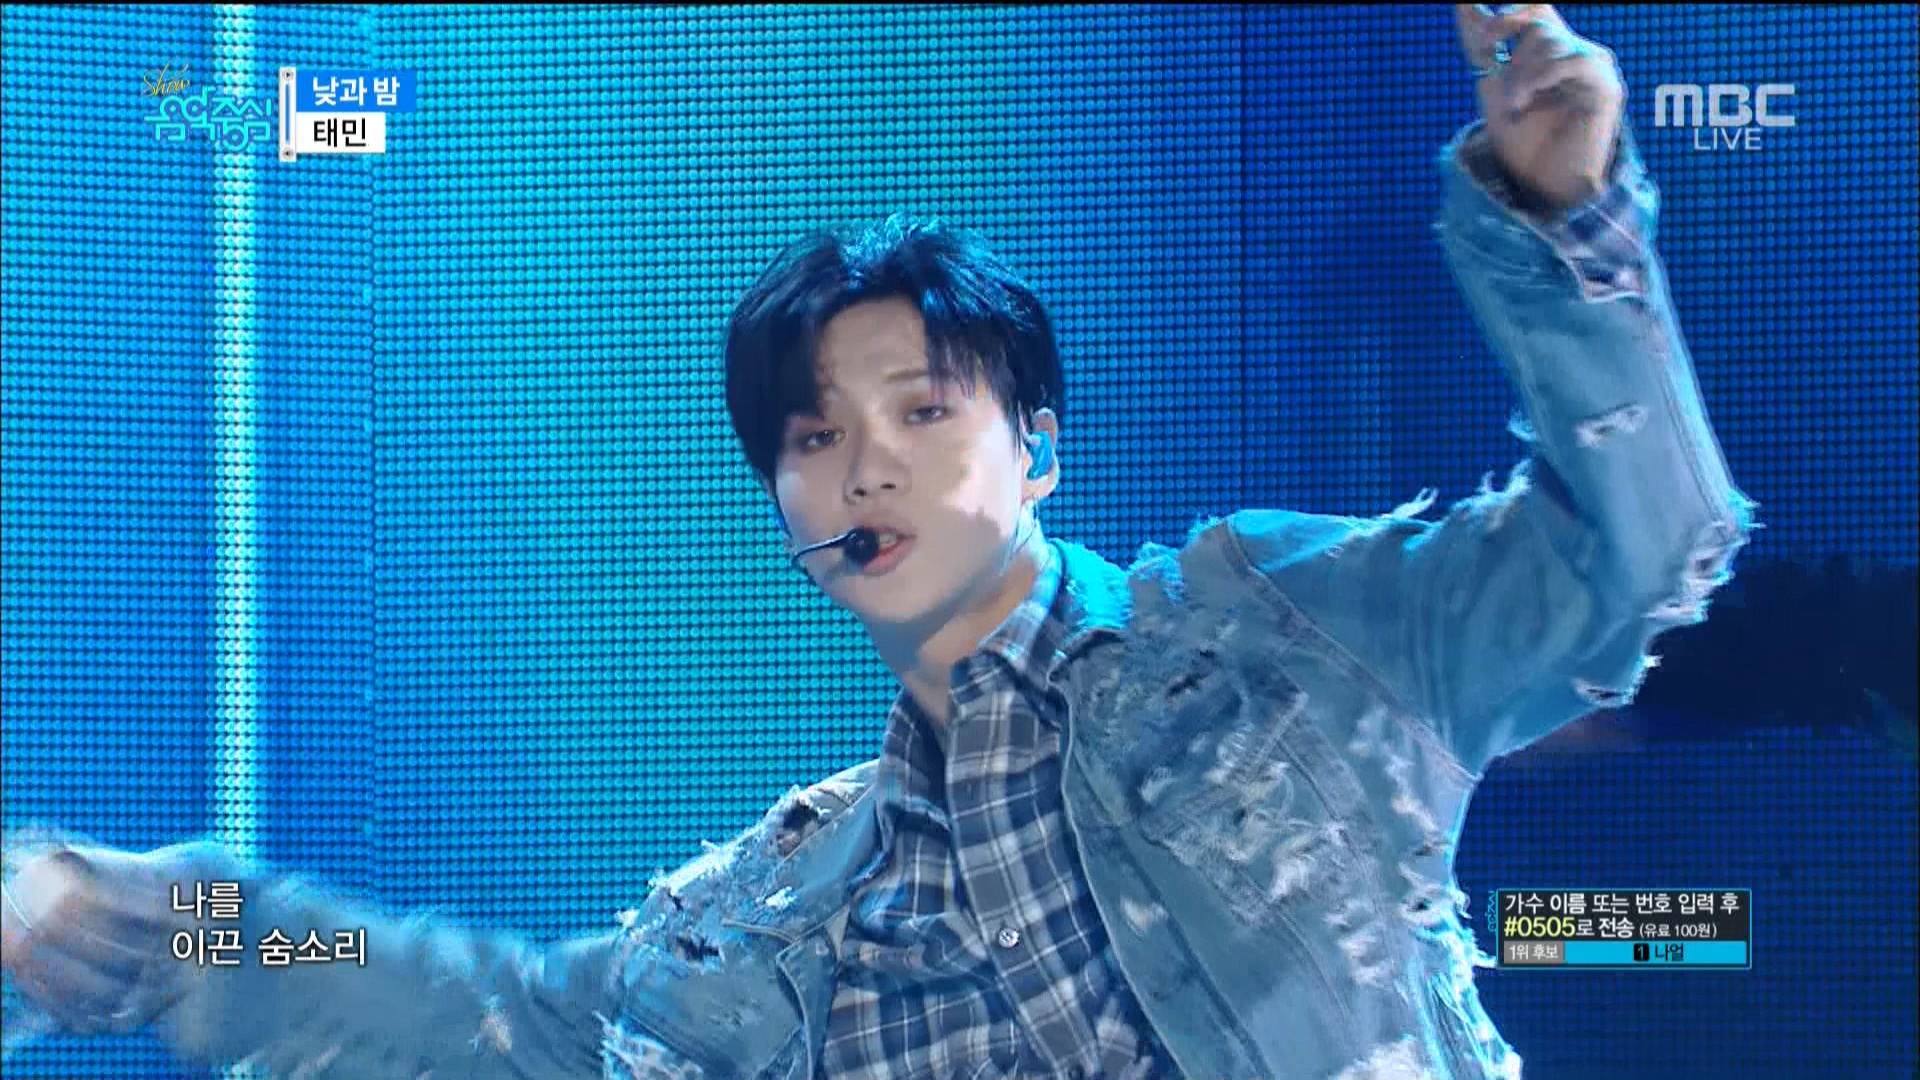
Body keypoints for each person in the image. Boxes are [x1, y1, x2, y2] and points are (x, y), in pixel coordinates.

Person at [1, 6, 1755, 1078]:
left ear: (1040, 447)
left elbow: (1644, 553)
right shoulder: (772, 915)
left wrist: (1566, 223)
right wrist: (159, 927)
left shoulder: (1286, 642)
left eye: (923, 411)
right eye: (814, 437)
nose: (867, 470)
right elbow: (490, 1018)